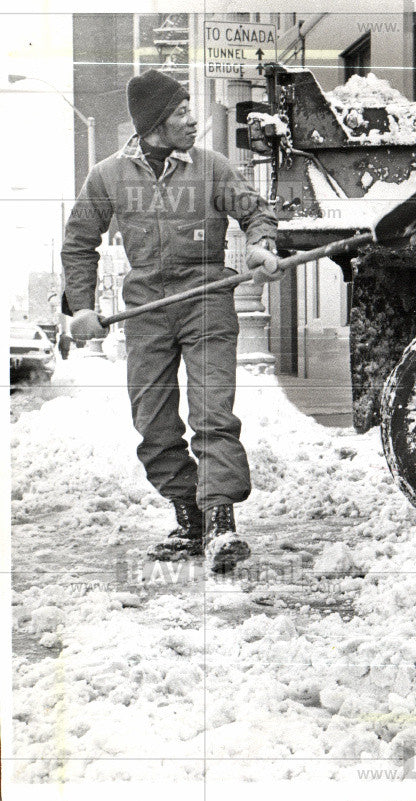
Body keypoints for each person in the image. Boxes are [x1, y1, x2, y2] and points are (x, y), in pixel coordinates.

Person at [61, 69, 282, 573]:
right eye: (182, 112)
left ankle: (221, 524)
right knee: (154, 425)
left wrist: (260, 246)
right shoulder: (107, 176)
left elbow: (256, 211)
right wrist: (82, 308)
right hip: (146, 312)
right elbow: (78, 243)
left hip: (206, 301)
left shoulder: (213, 167)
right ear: (155, 124)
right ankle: (190, 518)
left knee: (213, 414)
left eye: (189, 108)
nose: (193, 120)